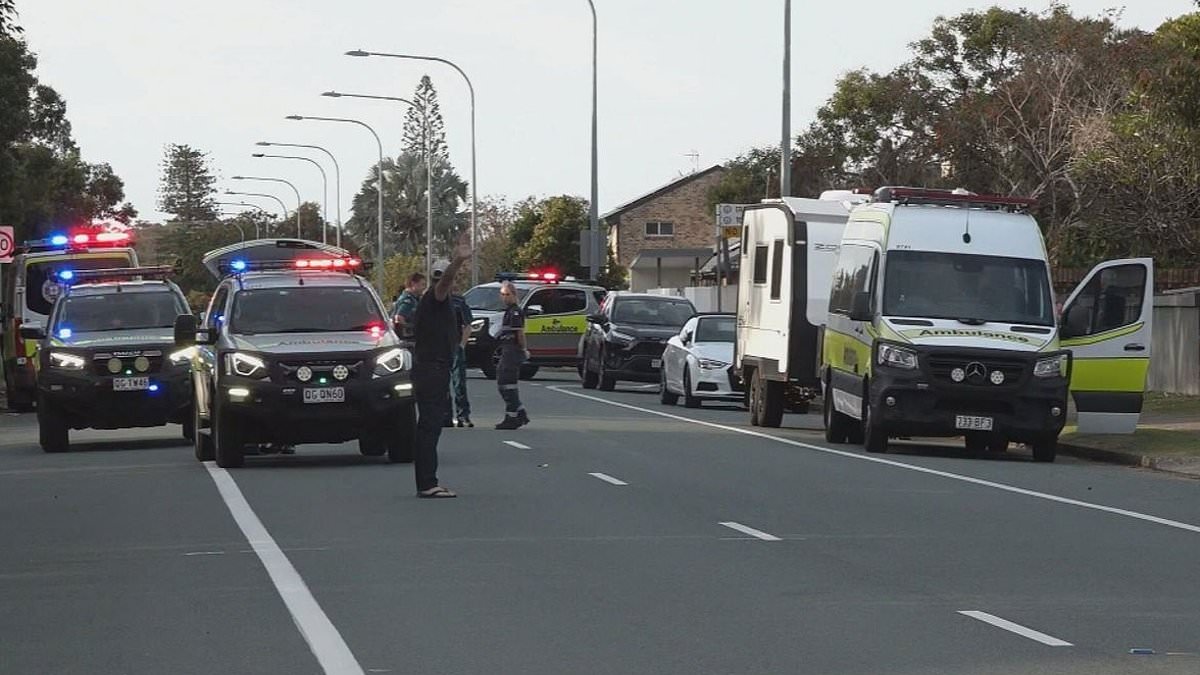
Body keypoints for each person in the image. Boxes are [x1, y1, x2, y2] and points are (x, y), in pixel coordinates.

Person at [409, 233, 471, 499]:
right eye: (441, 278)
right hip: (431, 369)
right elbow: (444, 284)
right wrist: (458, 261)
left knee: (431, 425)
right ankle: (426, 483)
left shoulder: (434, 303)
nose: (447, 284)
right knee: (430, 425)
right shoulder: (435, 299)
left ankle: (428, 481)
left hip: (434, 368)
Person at [494, 281, 530, 430]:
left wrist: (523, 349)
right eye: (502, 294)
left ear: (514, 295)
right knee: (503, 383)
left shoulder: (515, 311)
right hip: (507, 350)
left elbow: (519, 333)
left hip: (513, 351)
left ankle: (513, 417)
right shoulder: (508, 311)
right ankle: (519, 412)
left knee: (507, 383)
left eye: (507, 294)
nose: (504, 297)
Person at [450, 287, 474, 428]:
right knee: (441, 386)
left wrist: (462, 345)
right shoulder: (432, 299)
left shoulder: (458, 301)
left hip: (454, 346)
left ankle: (463, 415)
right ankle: (444, 416)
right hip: (438, 348)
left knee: (459, 383)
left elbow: (467, 324)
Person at [392, 272, 427, 338]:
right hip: (408, 340)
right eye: (422, 284)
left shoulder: (414, 299)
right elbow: (399, 318)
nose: (424, 288)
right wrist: (410, 330)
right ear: (413, 284)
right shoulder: (408, 300)